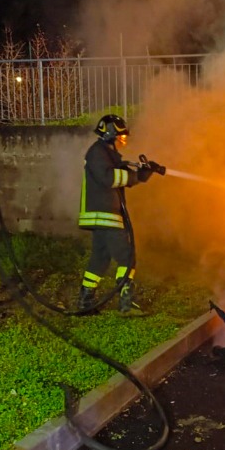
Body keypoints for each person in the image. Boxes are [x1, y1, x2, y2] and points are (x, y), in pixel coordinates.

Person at [77, 114, 162, 316]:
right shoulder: (97, 152)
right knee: (127, 256)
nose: (123, 140)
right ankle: (126, 303)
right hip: (105, 214)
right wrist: (135, 176)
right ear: (109, 134)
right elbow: (110, 178)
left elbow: (121, 173)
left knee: (100, 258)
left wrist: (143, 173)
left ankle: (85, 301)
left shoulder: (107, 153)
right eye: (120, 136)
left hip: (102, 215)